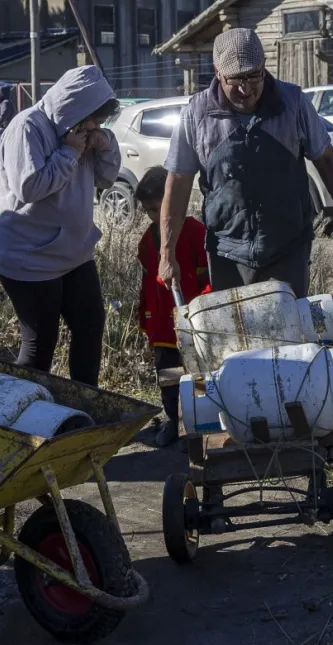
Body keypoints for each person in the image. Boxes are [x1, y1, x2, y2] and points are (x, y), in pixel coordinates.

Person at [158, 28, 333, 297]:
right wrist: (167, 253)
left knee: (287, 322)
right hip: (226, 253)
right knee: (234, 325)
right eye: (235, 78)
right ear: (217, 71)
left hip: (287, 249)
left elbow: (329, 162)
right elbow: (177, 184)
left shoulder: (293, 104)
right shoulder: (196, 114)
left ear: (264, 66)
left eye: (253, 76)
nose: (245, 89)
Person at [0, 65, 121, 387]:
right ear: (73, 108)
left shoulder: (82, 131)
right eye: (93, 119)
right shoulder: (27, 127)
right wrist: (69, 152)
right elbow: (30, 188)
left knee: (90, 326)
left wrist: (105, 144)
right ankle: (23, 409)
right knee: (40, 346)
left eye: (99, 121)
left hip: (75, 253)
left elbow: (106, 179)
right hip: (30, 256)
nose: (95, 125)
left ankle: (86, 402)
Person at [135, 166, 210, 447]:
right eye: (148, 211)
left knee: (198, 375)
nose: (153, 217)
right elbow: (147, 283)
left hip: (193, 323)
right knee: (167, 376)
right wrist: (146, 317)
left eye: (157, 209)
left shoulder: (195, 232)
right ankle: (171, 420)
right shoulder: (148, 240)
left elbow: (206, 278)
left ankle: (199, 426)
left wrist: (202, 312)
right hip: (163, 325)